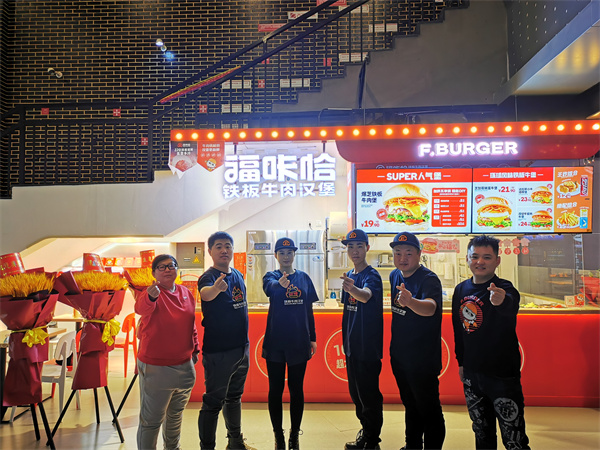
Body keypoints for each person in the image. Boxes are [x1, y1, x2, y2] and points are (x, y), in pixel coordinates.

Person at [452, 235, 530, 450]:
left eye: (487, 257)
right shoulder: (461, 289)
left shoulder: (505, 288)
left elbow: (510, 305)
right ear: (467, 259)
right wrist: (461, 362)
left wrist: (501, 300)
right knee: (481, 432)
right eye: (475, 256)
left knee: (514, 437)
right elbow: (459, 330)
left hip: (502, 375)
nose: (480, 261)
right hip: (472, 373)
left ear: (497, 260)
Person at [135, 254, 199, 450]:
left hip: (185, 366)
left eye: (171, 265)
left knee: (175, 415)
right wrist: (150, 296)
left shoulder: (185, 292)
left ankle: (173, 447)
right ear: (154, 273)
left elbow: (191, 324)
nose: (167, 270)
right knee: (151, 420)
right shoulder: (151, 293)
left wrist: (195, 348)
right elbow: (140, 308)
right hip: (156, 367)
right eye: (161, 267)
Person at [197, 232, 254, 450]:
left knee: (234, 397)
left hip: (241, 349)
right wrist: (215, 289)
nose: (224, 250)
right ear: (210, 251)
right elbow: (205, 294)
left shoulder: (237, 274)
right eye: (219, 246)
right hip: (219, 352)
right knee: (213, 402)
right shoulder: (209, 277)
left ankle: (235, 442)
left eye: (228, 246)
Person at [388, 232, 445, 450]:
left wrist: (411, 302)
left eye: (408, 253)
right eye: (398, 253)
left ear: (419, 254)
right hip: (400, 356)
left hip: (422, 359)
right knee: (410, 405)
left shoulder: (428, 279)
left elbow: (430, 308)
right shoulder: (395, 275)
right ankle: (412, 445)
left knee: (429, 409)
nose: (402, 258)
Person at [262, 237, 319, 450]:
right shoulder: (271, 277)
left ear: (294, 255)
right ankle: (278, 435)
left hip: (299, 341)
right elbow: (269, 288)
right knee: (275, 390)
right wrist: (280, 284)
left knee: (296, 389)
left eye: (289, 252)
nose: (286, 256)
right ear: (276, 256)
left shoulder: (304, 278)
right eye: (282, 252)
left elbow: (309, 310)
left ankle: (295, 435)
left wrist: (312, 338)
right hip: (275, 342)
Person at [340, 229, 384, 450]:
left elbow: (365, 296)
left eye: (359, 246)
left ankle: (372, 441)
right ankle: (365, 433)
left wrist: (353, 289)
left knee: (368, 395)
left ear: (367, 248)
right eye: (350, 247)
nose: (354, 251)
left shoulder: (371, 275)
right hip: (351, 346)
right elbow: (348, 307)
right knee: (356, 395)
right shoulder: (350, 274)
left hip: (367, 346)